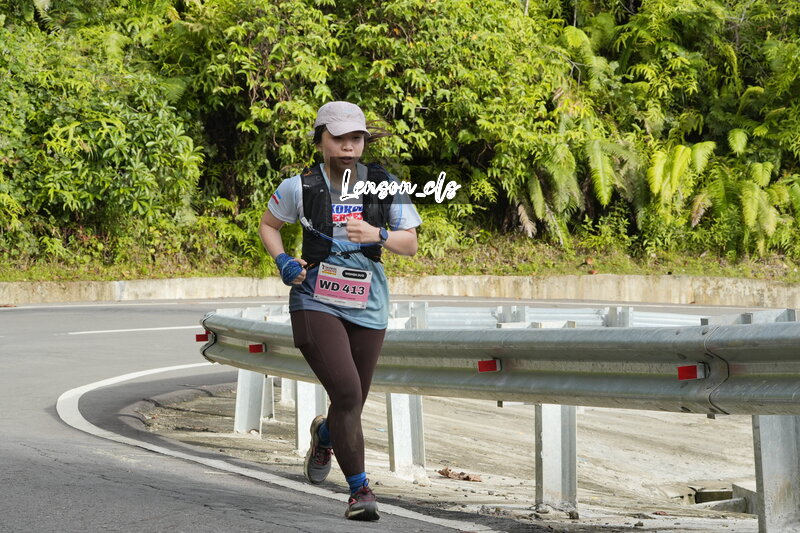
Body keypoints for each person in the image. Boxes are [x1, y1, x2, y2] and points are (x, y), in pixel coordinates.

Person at [259, 101, 421, 521]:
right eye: (339, 138)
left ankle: (326, 433)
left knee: (352, 402)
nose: (348, 147)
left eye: (356, 138)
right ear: (321, 140)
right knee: (347, 393)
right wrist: (283, 260)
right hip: (314, 298)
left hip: (368, 303)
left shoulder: (383, 185)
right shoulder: (299, 187)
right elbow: (269, 225)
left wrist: (378, 234)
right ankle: (359, 491)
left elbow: (409, 243)